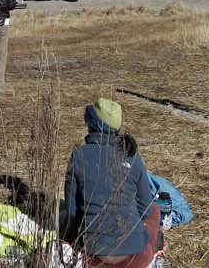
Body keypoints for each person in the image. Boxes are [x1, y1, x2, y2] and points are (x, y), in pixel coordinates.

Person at [63, 99, 163, 267]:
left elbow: (72, 210)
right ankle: (157, 248)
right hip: (135, 258)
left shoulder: (79, 155)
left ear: (91, 123)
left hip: (91, 255)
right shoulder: (131, 154)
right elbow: (145, 206)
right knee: (154, 209)